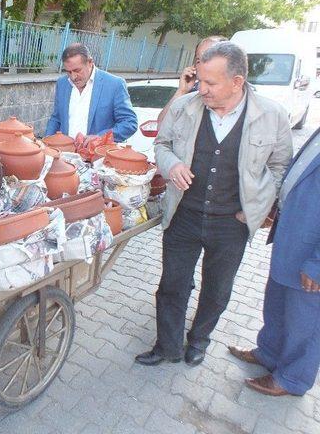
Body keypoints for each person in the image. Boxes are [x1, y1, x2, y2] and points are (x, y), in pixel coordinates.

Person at [136, 42, 292, 367]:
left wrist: (258, 208)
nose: (201, 89)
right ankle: (168, 346)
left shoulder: (271, 115)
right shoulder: (185, 107)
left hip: (231, 224)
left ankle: (199, 340)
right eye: (200, 81)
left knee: (217, 290)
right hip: (183, 215)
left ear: (237, 82)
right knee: (172, 285)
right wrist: (172, 165)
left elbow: (279, 167)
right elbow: (162, 144)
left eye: (210, 83)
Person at [228, 128, 320, 396]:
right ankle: (269, 353)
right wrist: (275, 207)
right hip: (294, 239)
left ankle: (292, 379)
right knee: (278, 305)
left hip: (312, 255)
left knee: (306, 320)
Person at [45, 43, 137, 143]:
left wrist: (100, 137)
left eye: (77, 70)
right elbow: (56, 118)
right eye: (68, 72)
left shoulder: (114, 84)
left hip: (97, 155)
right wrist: (47, 141)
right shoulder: (62, 83)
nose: (73, 77)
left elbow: (129, 123)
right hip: (65, 153)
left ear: (90, 62)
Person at [157, 35, 227, 126]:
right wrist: (182, 91)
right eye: (198, 60)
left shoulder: (241, 99)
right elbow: (161, 125)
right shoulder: (192, 95)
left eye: (209, 58)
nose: (203, 65)